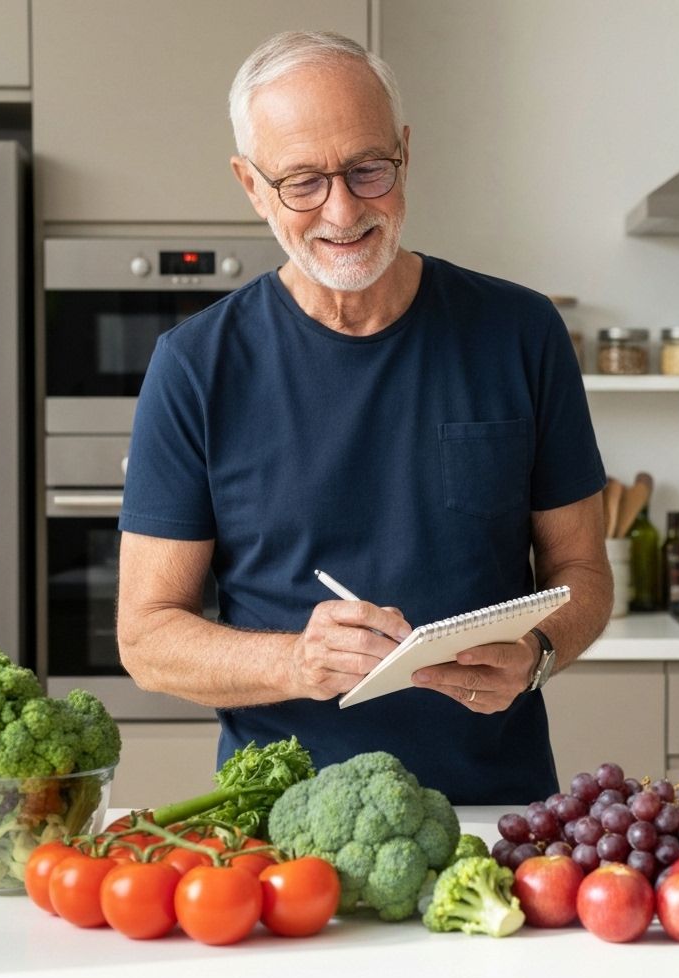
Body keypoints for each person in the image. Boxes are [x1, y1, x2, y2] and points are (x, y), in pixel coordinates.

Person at [116, 30, 613, 805]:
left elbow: (582, 572)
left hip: (500, 816)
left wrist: (539, 653)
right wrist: (294, 663)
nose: (343, 210)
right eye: (303, 183)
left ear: (405, 154)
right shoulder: (196, 366)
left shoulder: (521, 332)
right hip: (281, 837)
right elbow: (146, 639)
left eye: (367, 170)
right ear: (251, 185)